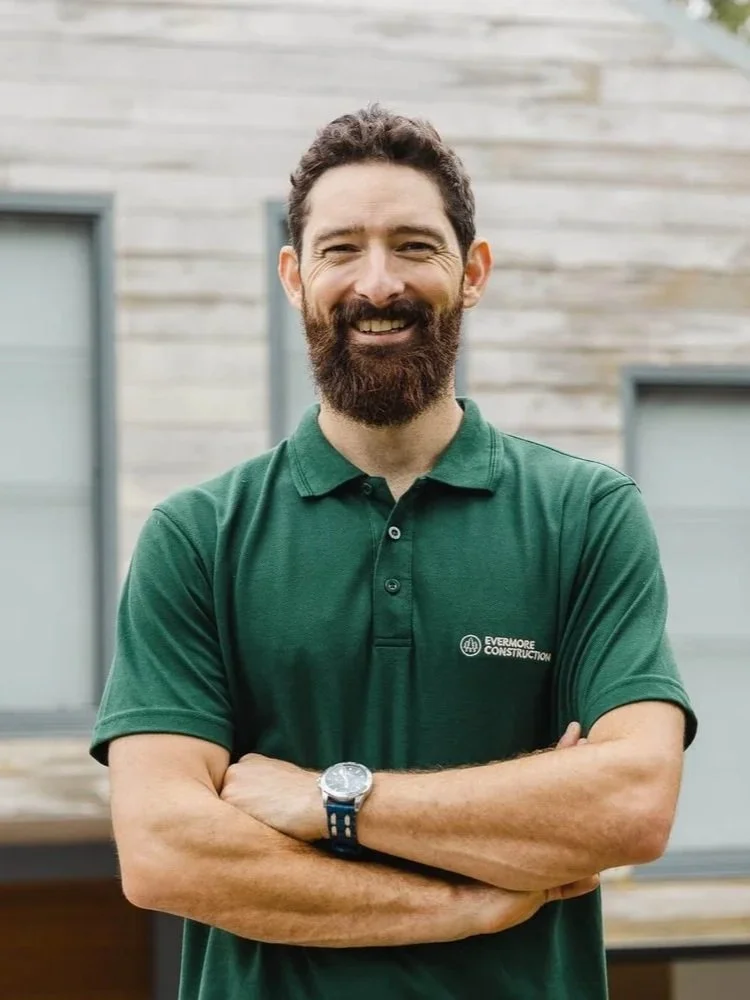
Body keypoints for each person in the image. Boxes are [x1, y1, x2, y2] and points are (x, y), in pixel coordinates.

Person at [91, 105, 697, 1000]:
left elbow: (632, 802)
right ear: (294, 278)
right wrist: (468, 902)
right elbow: (164, 852)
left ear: (473, 272)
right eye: (341, 250)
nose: (378, 284)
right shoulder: (197, 538)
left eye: (414, 245)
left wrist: (328, 800)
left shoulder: (585, 516)